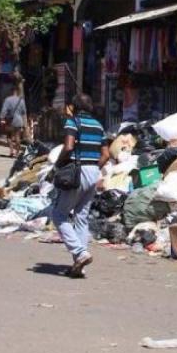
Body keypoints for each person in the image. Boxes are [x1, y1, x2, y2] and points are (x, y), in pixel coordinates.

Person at [52, 94, 108, 278]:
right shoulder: (99, 126)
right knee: (81, 217)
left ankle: (80, 253)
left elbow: (68, 147)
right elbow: (106, 155)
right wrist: (93, 168)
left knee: (59, 214)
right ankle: (80, 265)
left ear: (74, 107)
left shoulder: (73, 122)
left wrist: (58, 165)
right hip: (94, 172)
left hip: (77, 172)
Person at [0, 83, 27, 159]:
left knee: (9, 136)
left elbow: (4, 110)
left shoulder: (7, 100)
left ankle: (11, 151)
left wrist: (2, 118)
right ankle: (17, 153)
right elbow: (24, 112)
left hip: (10, 121)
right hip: (19, 120)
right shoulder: (21, 100)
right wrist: (25, 124)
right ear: (17, 92)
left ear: (11, 91)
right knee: (18, 137)